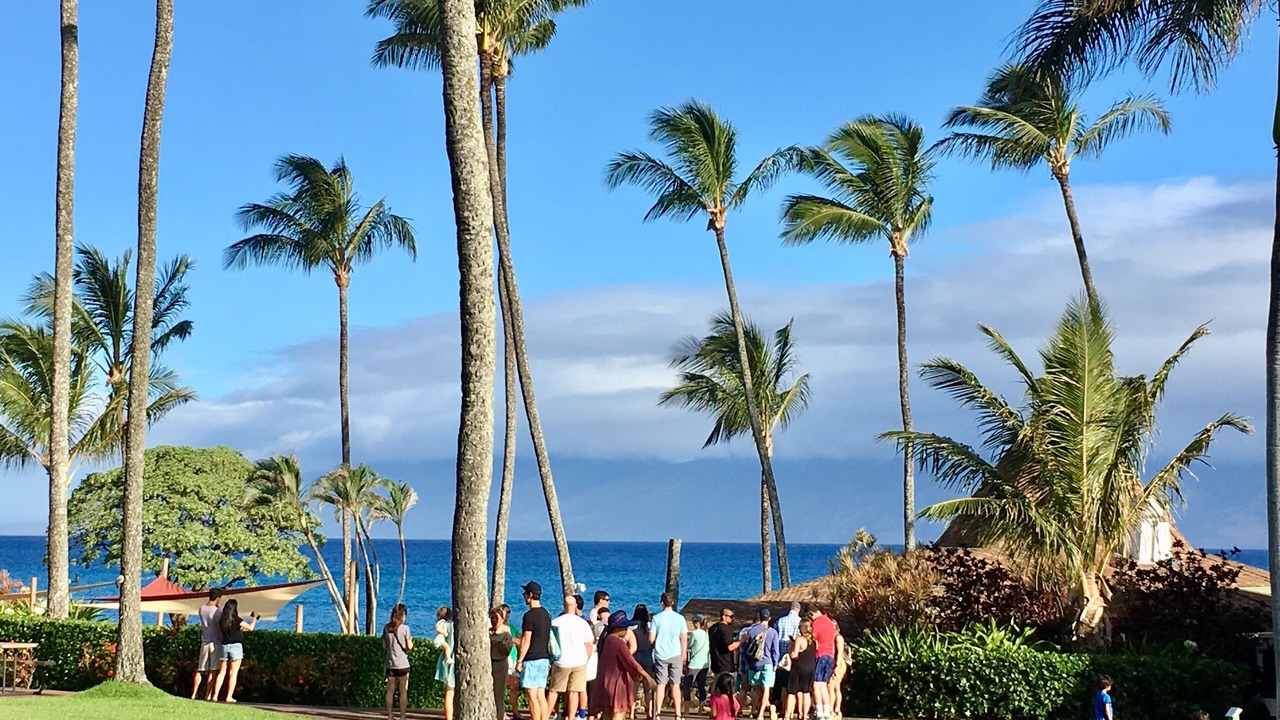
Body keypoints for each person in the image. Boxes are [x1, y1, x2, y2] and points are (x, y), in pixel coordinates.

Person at [588, 610, 657, 720]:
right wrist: (647, 677)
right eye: (624, 627)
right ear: (618, 628)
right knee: (617, 715)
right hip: (617, 685)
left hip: (605, 683)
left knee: (607, 715)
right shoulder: (618, 643)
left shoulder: (606, 639)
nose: (626, 630)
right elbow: (630, 661)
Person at [549, 595, 595, 720]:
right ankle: (571, 716)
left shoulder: (555, 622)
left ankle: (545, 715)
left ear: (564, 606)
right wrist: (585, 659)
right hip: (579, 661)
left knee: (554, 691)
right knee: (574, 691)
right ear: (575, 606)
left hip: (561, 661)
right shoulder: (582, 623)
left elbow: (551, 643)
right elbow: (589, 644)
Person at [516, 581, 553, 720]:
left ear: (530, 595)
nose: (524, 596)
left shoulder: (529, 616)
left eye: (525, 594)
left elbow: (526, 639)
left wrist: (519, 660)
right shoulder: (546, 614)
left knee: (532, 696)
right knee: (540, 695)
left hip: (532, 658)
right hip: (544, 658)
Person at [648, 592, 687, 720]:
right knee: (675, 685)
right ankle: (678, 713)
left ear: (662, 603)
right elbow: (684, 637)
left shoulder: (656, 618)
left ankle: (658, 712)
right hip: (676, 653)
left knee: (661, 684)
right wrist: (683, 653)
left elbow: (651, 638)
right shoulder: (680, 618)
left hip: (661, 654)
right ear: (673, 603)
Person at [212, 598, 258, 703]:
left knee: (221, 673)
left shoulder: (222, 621)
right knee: (233, 673)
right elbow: (250, 628)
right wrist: (254, 618)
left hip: (224, 646)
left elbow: (221, 634)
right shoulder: (237, 619)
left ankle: (215, 696)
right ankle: (228, 697)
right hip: (236, 647)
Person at [740, 608, 780, 720]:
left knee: (757, 690)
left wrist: (748, 663)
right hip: (768, 663)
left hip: (754, 664)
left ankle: (763, 708)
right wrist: (775, 664)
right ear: (769, 618)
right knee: (766, 689)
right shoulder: (773, 632)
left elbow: (745, 650)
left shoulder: (751, 631)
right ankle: (762, 712)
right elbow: (775, 651)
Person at [191, 587, 223, 701]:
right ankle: (208, 695)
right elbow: (219, 627)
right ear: (218, 598)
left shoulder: (201, 609)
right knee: (213, 670)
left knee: (200, 669)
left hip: (205, 640)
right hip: (215, 641)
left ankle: (194, 693)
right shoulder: (218, 612)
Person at [383, 603, 413, 720]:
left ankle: (390, 715)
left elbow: (385, 645)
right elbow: (409, 646)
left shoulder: (387, 628)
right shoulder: (405, 629)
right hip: (403, 664)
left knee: (390, 691)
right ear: (403, 615)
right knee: (403, 691)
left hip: (391, 664)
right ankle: (402, 716)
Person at [785, 619, 816, 720]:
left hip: (799, 668)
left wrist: (791, 647)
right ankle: (804, 714)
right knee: (806, 692)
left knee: (792, 692)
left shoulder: (800, 639)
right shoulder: (814, 640)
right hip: (810, 668)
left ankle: (787, 714)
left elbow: (794, 655)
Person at [772, 603, 801, 713]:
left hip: (781, 658)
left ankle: (784, 709)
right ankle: (793, 710)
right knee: (793, 686)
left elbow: (775, 636)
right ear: (798, 610)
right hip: (793, 658)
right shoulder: (799, 621)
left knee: (783, 685)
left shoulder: (780, 620)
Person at [809, 607, 837, 720]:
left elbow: (814, 639)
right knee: (824, 685)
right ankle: (827, 711)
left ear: (812, 613)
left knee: (816, 684)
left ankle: (819, 711)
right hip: (830, 655)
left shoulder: (817, 622)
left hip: (820, 654)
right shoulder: (830, 622)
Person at [630, 604, 655, 720]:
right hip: (648, 656)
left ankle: (631, 712)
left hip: (636, 656)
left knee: (634, 686)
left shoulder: (632, 626)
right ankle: (649, 711)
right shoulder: (649, 626)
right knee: (647, 687)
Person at [492, 608, 516, 720]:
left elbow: (506, 649)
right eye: (492, 618)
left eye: (497, 618)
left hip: (500, 666)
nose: (494, 621)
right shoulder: (487, 633)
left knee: (499, 694)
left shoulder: (505, 633)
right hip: (490, 665)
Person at [682, 614, 709, 711]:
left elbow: (689, 645)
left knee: (686, 686)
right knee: (701, 686)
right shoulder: (707, 634)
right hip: (705, 664)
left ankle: (686, 709)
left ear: (697, 623)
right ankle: (701, 709)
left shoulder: (695, 633)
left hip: (694, 663)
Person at [435, 606, 457, 720]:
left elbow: (437, 641)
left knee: (449, 692)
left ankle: (449, 718)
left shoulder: (445, 625)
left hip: (450, 662)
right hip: (456, 659)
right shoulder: (455, 624)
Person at [827, 623, 847, 720]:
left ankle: (832, 709)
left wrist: (836, 665)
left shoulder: (838, 638)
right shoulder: (833, 637)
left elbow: (839, 653)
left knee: (831, 686)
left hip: (838, 663)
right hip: (835, 662)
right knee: (835, 687)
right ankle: (836, 709)